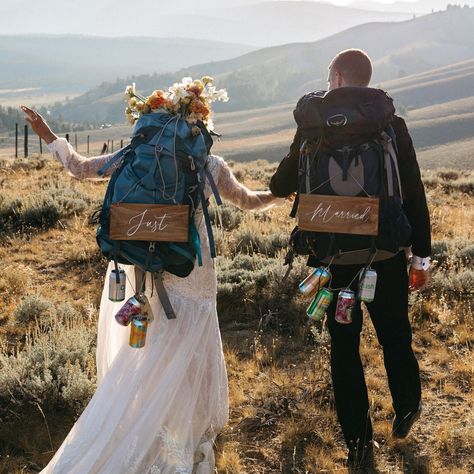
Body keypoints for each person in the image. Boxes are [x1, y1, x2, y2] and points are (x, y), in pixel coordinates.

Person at [21, 105, 282, 474]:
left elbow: (80, 168)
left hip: (144, 267)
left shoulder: (134, 155)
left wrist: (49, 136)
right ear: (199, 126)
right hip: (192, 270)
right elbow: (248, 201)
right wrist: (281, 193)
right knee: (189, 355)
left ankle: (144, 428)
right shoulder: (209, 165)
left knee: (147, 351)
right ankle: (180, 439)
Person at [269, 49, 431, 472]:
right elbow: (414, 192)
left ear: (339, 78)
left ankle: (358, 443)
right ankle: (407, 406)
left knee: (344, 347)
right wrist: (423, 257)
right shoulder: (390, 124)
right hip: (386, 255)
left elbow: (280, 182)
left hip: (333, 258)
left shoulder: (312, 125)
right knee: (396, 334)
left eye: (329, 76)